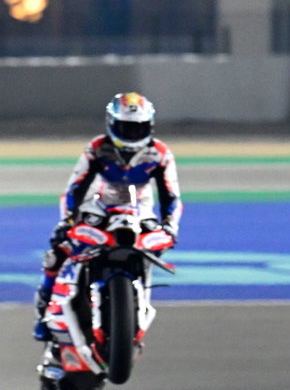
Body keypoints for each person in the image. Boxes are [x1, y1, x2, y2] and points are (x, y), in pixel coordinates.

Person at [34, 93, 182, 341]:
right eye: (126, 128)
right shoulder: (96, 148)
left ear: (150, 127)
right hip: (98, 207)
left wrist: (170, 226)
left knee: (153, 250)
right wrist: (68, 220)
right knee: (56, 255)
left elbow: (171, 195)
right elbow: (75, 188)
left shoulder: (160, 154)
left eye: (138, 128)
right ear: (112, 124)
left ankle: (136, 304)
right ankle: (42, 316)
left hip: (140, 211)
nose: (133, 134)